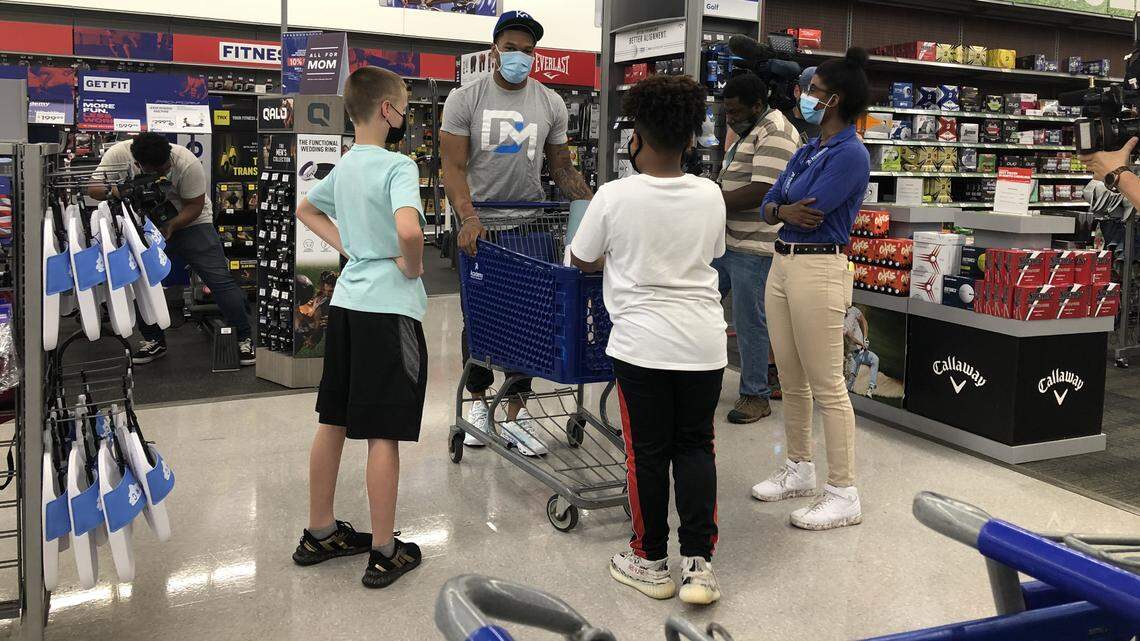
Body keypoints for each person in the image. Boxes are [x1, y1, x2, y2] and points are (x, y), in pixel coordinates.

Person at [571, 75, 726, 606]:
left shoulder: (614, 195)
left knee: (647, 454)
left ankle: (649, 559)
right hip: (704, 342)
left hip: (642, 344)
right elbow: (711, 252)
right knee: (696, 446)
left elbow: (583, 258)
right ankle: (699, 566)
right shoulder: (711, 194)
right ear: (690, 138)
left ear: (635, 135)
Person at [290, 66, 427, 589]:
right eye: (404, 104)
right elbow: (410, 230)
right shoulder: (399, 165)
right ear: (388, 110)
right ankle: (385, 551)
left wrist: (352, 249)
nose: (406, 113)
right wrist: (410, 266)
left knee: (335, 418)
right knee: (383, 431)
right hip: (390, 311)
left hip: (346, 305)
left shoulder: (345, 165)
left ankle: (321, 530)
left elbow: (305, 208)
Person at [442, 10, 594, 456]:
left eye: (527, 51)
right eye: (510, 48)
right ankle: (477, 404)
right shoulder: (465, 99)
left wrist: (593, 204)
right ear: (494, 49)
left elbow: (562, 168)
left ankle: (515, 415)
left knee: (530, 319)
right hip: (480, 229)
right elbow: (451, 168)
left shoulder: (549, 103)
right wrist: (468, 216)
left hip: (530, 224)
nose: (519, 57)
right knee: (482, 319)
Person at [750, 48, 871, 530]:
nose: (804, 96)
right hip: (782, 264)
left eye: (813, 90)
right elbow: (771, 203)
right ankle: (799, 468)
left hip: (820, 269)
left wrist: (782, 205)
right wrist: (781, 211)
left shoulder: (851, 154)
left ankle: (843, 491)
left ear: (835, 98)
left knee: (828, 385)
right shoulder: (806, 150)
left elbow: (808, 203)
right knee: (792, 379)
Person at [89, 133, 255, 366]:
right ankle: (154, 340)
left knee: (219, 279)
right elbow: (93, 188)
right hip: (142, 225)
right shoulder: (118, 154)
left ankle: (244, 336)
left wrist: (172, 226)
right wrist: (120, 190)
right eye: (155, 172)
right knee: (143, 283)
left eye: (165, 168)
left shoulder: (186, 162)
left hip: (190, 222)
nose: (162, 175)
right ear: (138, 164)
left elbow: (195, 206)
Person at [714, 72, 800, 424]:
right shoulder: (753, 128)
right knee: (704, 303)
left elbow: (762, 191)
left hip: (756, 245)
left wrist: (710, 201)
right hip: (730, 241)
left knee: (750, 322)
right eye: (726, 112)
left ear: (757, 104)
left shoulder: (775, 131)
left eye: (735, 111)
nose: (729, 117)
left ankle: (755, 394)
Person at [843, 305, 879, 397]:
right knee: (850, 382)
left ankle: (870, 389)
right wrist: (862, 343)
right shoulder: (840, 322)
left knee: (875, 359)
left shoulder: (853, 310)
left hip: (862, 352)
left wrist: (865, 338)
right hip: (853, 355)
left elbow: (863, 321)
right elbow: (850, 337)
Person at [789, 65, 820, 141]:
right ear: (796, 91)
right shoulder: (780, 121)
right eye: (810, 93)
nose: (815, 100)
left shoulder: (824, 130)